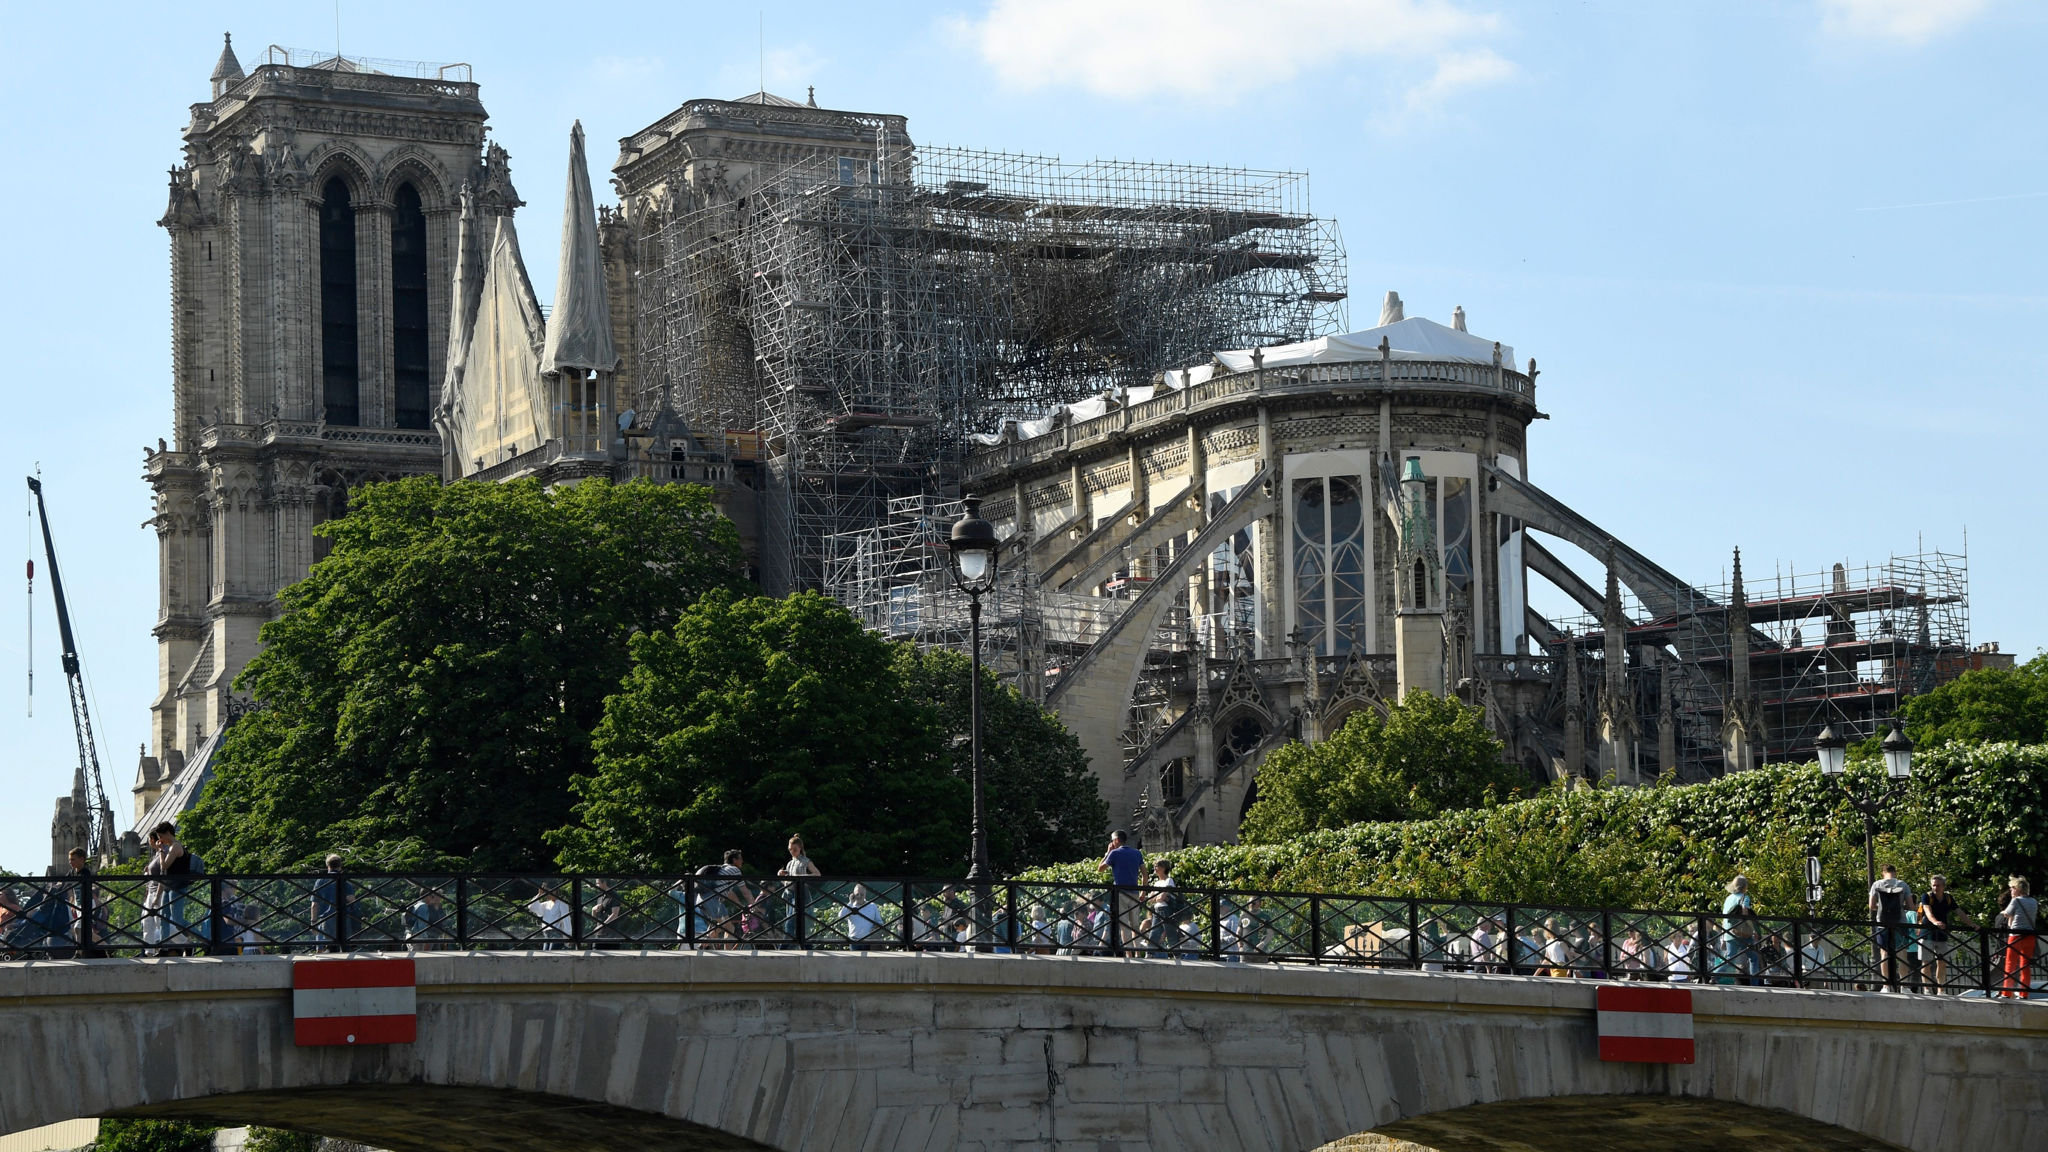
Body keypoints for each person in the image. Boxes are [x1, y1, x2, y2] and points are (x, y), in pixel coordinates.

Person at [153, 822, 200, 953]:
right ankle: (163, 947)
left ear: (168, 833)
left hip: (177, 887)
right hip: (169, 886)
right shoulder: (170, 847)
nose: (160, 840)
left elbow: (164, 866)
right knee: (164, 918)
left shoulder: (176, 847)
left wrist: (161, 851)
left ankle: (205, 938)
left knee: (178, 920)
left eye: (161, 836)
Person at [1919, 874, 1970, 995]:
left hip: (1941, 934)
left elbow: (1959, 912)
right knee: (1926, 962)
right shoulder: (1926, 896)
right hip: (1927, 933)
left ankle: (1941, 989)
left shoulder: (1948, 898)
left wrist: (1971, 924)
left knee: (1941, 962)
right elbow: (1927, 911)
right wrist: (1935, 922)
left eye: (1938, 885)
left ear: (1943, 886)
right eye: (1933, 885)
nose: (1935, 888)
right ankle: (1927, 988)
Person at [1868, 864, 1915, 992]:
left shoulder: (1876, 885)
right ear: (1895, 872)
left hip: (1882, 923)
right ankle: (1904, 986)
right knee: (1902, 955)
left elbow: (1871, 906)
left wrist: (1882, 908)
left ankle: (1886, 986)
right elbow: (1911, 906)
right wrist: (1900, 906)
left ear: (1883, 873)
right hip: (1900, 923)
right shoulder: (1903, 885)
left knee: (1884, 954)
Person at [1997, 875, 2038, 999]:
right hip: (2030, 936)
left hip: (2016, 935)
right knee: (2025, 966)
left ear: (2018, 889)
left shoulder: (2016, 901)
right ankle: (2024, 993)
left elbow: (2007, 913)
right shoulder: (2034, 901)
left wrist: (2002, 912)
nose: (2011, 891)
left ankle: (2007, 993)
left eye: (2012, 888)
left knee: (2010, 964)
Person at [778, 835, 821, 945]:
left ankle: (784, 946)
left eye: (795, 849)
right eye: (790, 849)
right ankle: (803, 946)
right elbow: (787, 882)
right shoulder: (790, 863)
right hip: (790, 894)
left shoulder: (805, 861)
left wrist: (801, 877)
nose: (792, 852)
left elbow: (817, 874)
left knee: (791, 923)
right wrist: (782, 876)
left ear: (800, 849)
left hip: (800, 894)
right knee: (793, 922)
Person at [1721, 876, 1761, 986]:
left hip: (1730, 933)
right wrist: (1753, 931)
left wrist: (1724, 937)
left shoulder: (1728, 899)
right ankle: (1754, 984)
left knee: (1729, 959)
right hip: (1743, 934)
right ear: (1745, 886)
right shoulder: (1745, 897)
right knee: (1753, 958)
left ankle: (1714, 975)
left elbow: (1725, 919)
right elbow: (1745, 915)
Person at [310, 854, 350, 951]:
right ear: (340, 866)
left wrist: (313, 922)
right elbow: (351, 900)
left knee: (324, 950)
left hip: (325, 920)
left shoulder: (320, 881)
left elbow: (314, 905)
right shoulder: (344, 881)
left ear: (328, 866)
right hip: (343, 920)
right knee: (345, 948)